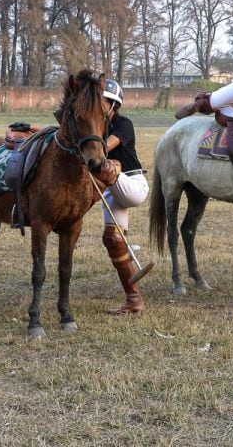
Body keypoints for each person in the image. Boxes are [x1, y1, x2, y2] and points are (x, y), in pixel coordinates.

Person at [96, 79, 150, 315]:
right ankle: (134, 300)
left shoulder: (123, 124)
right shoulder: (94, 125)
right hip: (112, 191)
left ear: (112, 104)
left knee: (108, 167)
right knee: (113, 240)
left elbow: (104, 148)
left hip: (133, 185)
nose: (96, 105)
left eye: (100, 101)